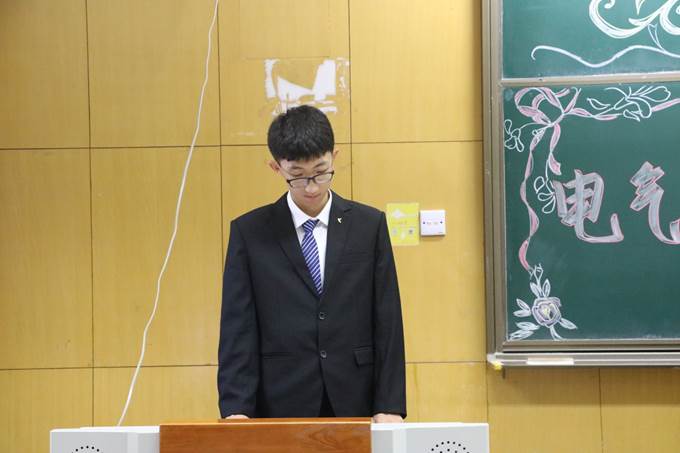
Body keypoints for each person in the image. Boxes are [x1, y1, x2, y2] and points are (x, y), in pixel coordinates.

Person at [217, 105, 405, 422]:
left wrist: (389, 403)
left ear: (335, 156)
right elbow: (238, 328)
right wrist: (236, 408)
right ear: (276, 168)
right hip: (279, 398)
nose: (312, 187)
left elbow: (387, 319)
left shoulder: (369, 226)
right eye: (298, 177)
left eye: (321, 172)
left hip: (355, 394)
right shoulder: (250, 233)